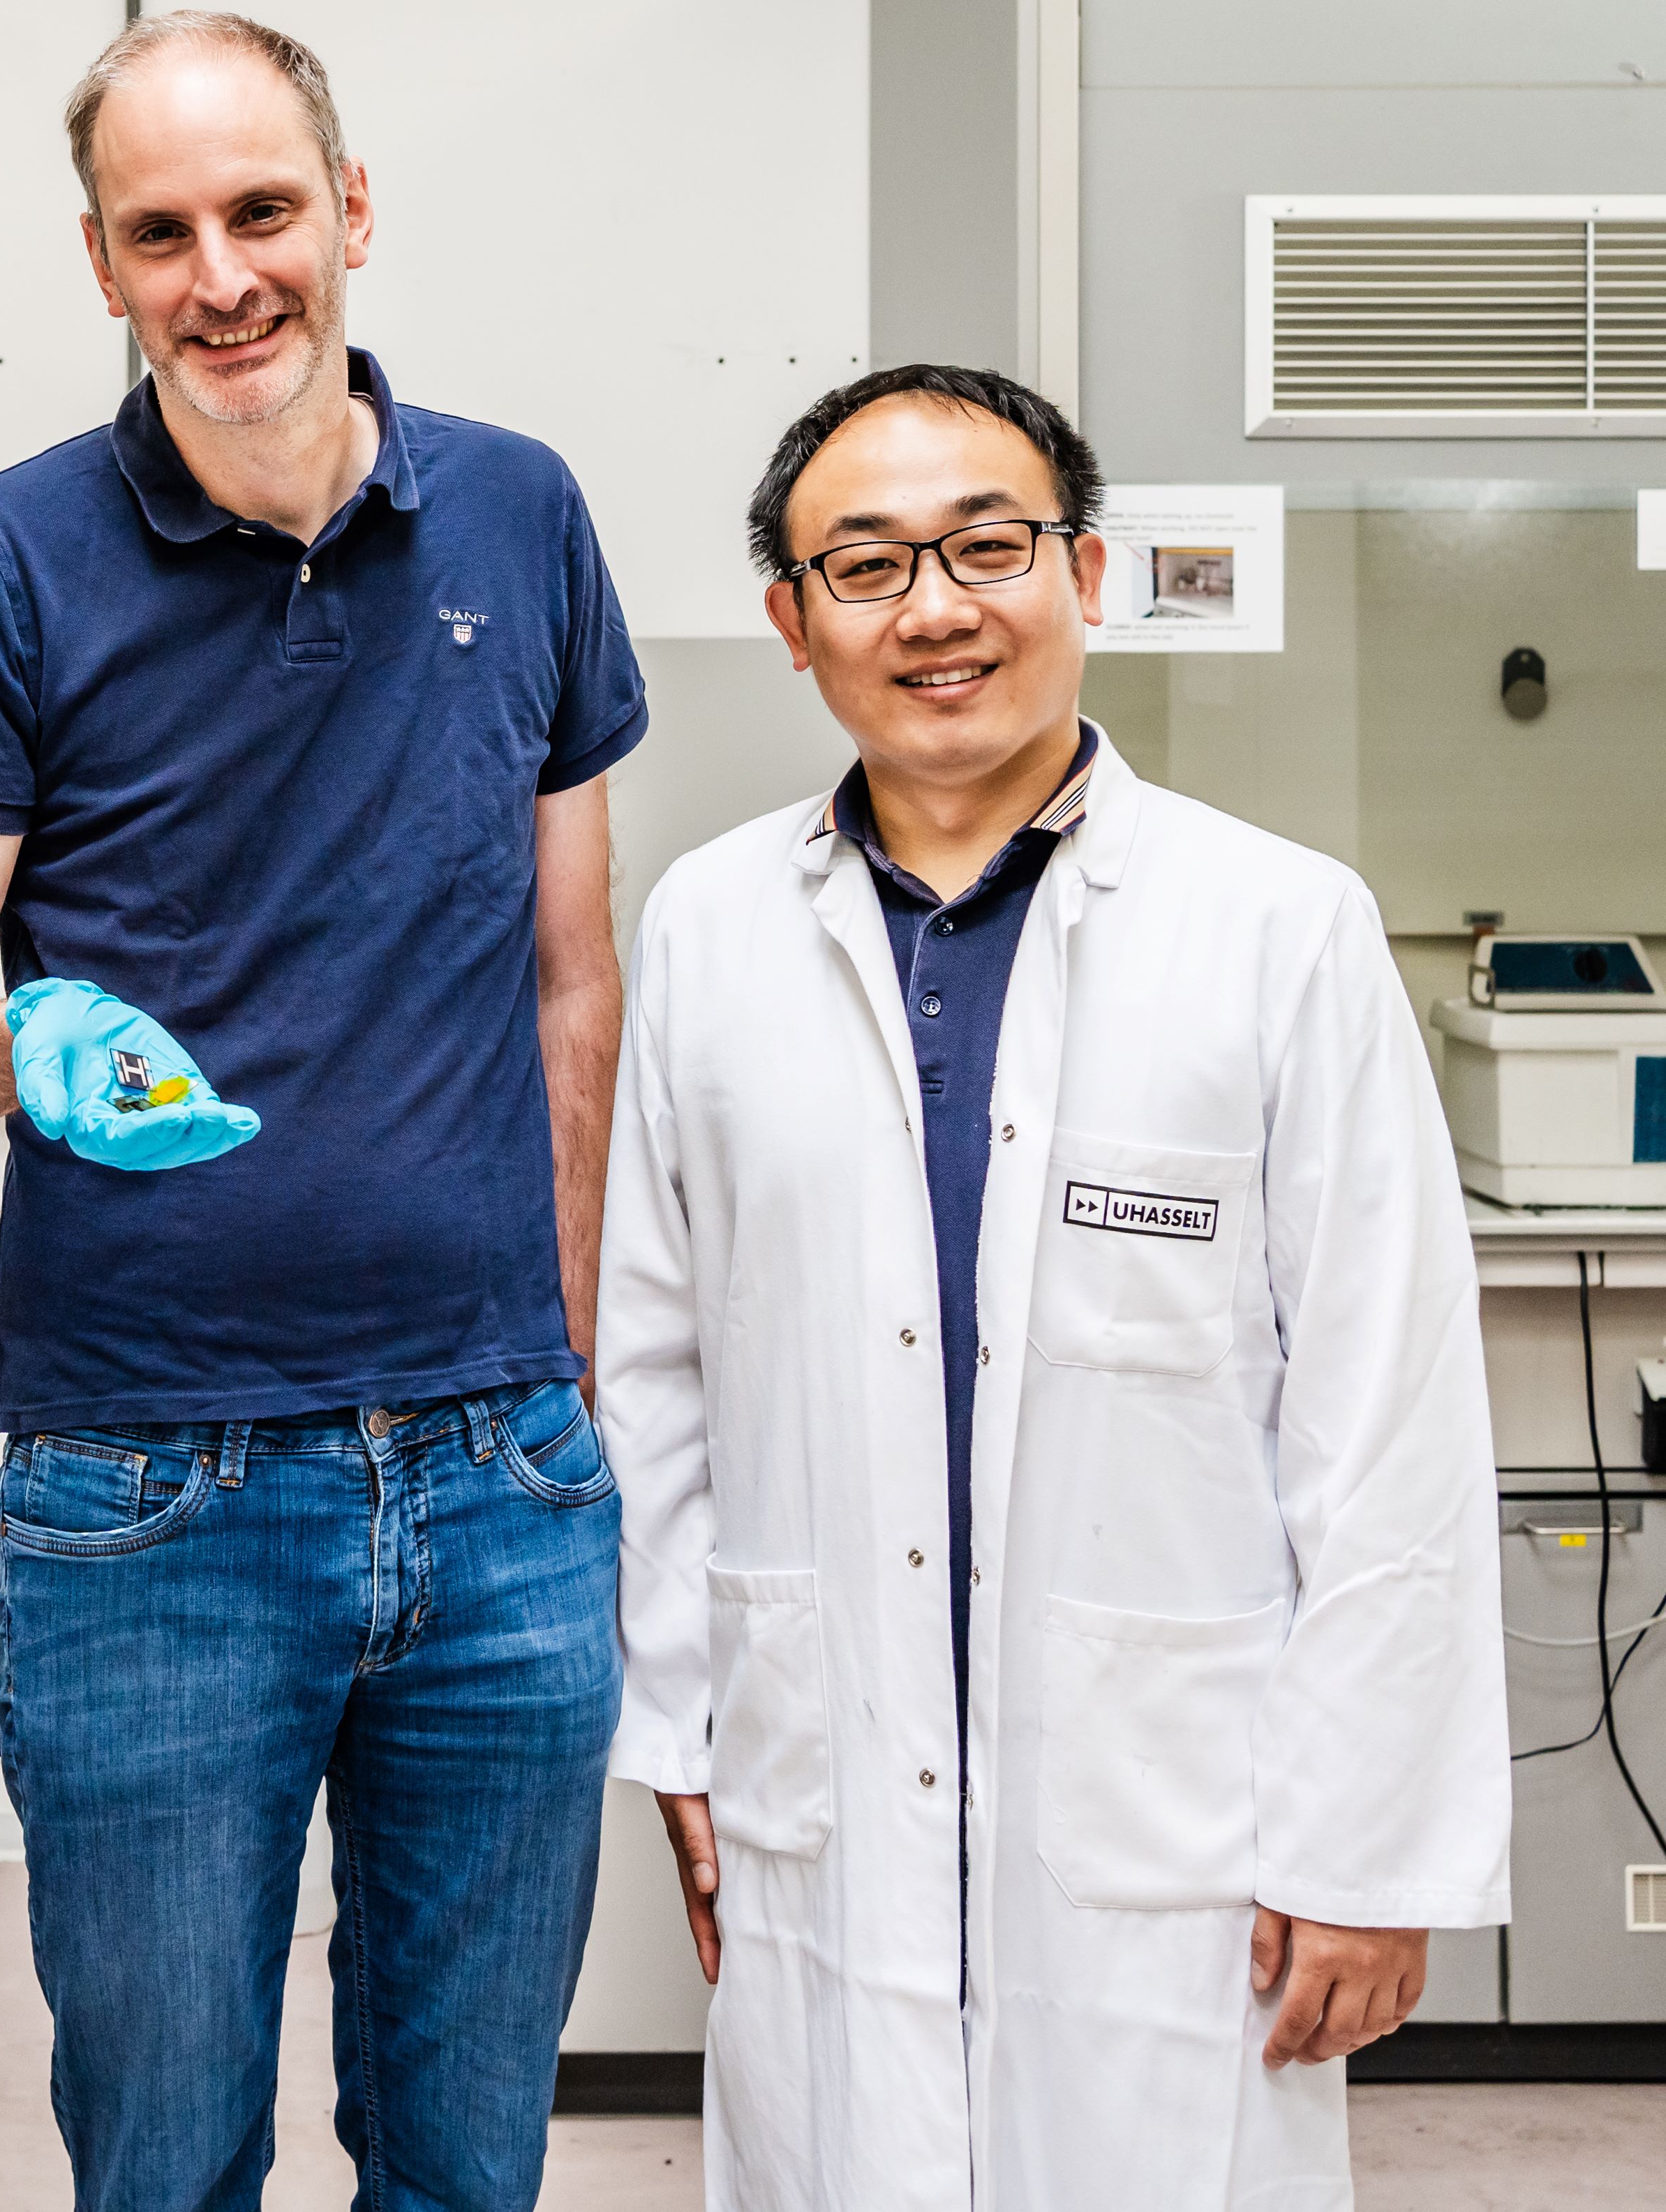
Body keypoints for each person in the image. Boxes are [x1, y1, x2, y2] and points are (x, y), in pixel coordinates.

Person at [0, 11, 646, 2212]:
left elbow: (573, 973)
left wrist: (561, 1349)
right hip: (152, 1505)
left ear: (351, 209)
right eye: (161, 232)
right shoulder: (8, 557)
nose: (223, 277)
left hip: (503, 1483)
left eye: (263, 211)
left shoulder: (521, 511)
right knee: (168, 2161)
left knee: (468, 2165)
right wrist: (19, 1050)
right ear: (100, 262)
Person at [595, 364, 1509, 2209]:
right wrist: (683, 1722)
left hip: (1173, 1812)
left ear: (1084, 573)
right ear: (793, 623)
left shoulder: (1278, 929)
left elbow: (1388, 1422)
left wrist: (1367, 1848)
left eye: (988, 547)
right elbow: (655, 1361)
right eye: (866, 565)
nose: (934, 608)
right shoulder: (708, 926)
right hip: (823, 1761)